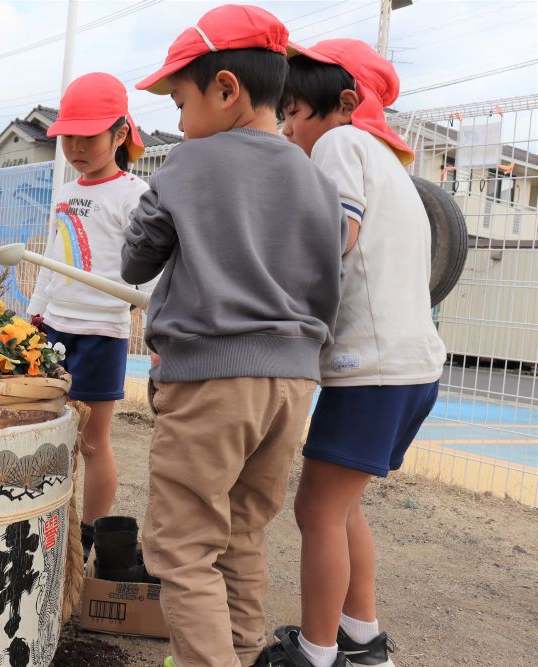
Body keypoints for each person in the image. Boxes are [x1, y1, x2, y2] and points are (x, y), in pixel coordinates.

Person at [119, 6, 348, 666]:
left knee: (183, 547)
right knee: (242, 532)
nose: (181, 123)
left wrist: (163, 197)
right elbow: (328, 279)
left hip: (212, 379)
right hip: (292, 382)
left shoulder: (187, 167)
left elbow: (137, 260)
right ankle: (244, 654)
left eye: (182, 102)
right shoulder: (317, 177)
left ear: (226, 88)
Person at [268, 38, 446, 667]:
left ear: (343, 104)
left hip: (368, 370)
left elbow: (332, 239)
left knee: (315, 508)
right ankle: (363, 641)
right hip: (410, 368)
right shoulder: (392, 168)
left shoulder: (341, 143)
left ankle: (315, 656)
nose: (287, 128)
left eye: (293, 113)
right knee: (341, 508)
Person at [26, 72, 153, 558]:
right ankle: (47, 519)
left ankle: (88, 533)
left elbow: (150, 271)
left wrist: (154, 327)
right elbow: (51, 262)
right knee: (52, 433)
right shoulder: (63, 191)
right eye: (68, 137)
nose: (76, 146)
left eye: (89, 135)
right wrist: (35, 316)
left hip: (102, 332)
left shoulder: (134, 193)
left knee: (94, 442)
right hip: (55, 328)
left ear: (120, 134)